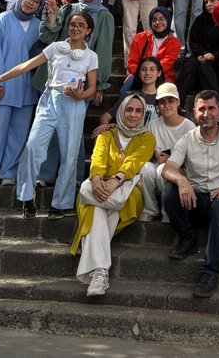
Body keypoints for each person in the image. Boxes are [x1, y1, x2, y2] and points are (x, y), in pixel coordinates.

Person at [0, 10, 99, 218]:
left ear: (88, 31)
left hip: (74, 106)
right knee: (32, 147)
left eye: (81, 25)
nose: (75, 28)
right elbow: (27, 65)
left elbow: (92, 88)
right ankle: (27, 197)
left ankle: (61, 203)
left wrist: (80, 94)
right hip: (50, 100)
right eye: (73, 24)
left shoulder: (91, 57)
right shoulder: (56, 47)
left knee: (70, 154)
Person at [162, 90, 219, 298]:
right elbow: (168, 168)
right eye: (202, 109)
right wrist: (182, 180)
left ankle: (209, 272)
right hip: (197, 200)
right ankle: (188, 237)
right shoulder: (187, 139)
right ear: (194, 113)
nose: (207, 114)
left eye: (211, 108)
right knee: (169, 189)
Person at [71, 92, 156, 297]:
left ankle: (95, 262)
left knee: (94, 203)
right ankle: (100, 272)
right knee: (94, 204)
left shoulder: (147, 138)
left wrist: (115, 181)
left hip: (127, 192)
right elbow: (98, 158)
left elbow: (133, 163)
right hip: (100, 186)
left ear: (144, 115)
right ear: (121, 111)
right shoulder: (107, 135)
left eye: (138, 111)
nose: (133, 115)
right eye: (129, 109)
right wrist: (98, 179)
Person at [0, 0, 44, 186]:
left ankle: (8, 171)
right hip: (2, 86)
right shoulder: (2, 20)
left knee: (18, 132)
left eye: (36, 1)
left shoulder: (38, 26)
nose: (31, 3)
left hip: (26, 89)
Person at [40, 0, 114, 102]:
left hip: (82, 81)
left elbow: (104, 52)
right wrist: (52, 14)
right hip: (55, 76)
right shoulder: (68, 9)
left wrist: (99, 85)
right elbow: (47, 38)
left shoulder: (105, 16)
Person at [139, 82, 196, 222]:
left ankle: (167, 210)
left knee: (163, 169)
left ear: (178, 102)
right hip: (157, 170)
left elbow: (195, 162)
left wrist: (171, 161)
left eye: (170, 101)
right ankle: (150, 209)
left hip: (181, 173)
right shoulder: (152, 125)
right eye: (162, 102)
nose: (166, 105)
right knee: (145, 167)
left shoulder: (189, 127)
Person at [177, 0, 219, 102]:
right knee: (193, 64)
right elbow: (193, 41)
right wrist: (200, 54)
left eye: (212, 1)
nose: (208, 4)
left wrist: (213, 56)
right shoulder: (200, 20)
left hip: (217, 61)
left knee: (205, 68)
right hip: (199, 57)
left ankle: (217, 102)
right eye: (206, 2)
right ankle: (178, 101)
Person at [127, 6, 182, 83]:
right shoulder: (140, 37)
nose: (157, 22)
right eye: (154, 19)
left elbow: (165, 64)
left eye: (161, 19)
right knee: (125, 90)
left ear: (168, 21)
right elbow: (132, 62)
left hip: (162, 75)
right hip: (139, 74)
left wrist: (150, 74)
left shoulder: (175, 43)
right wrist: (143, 74)